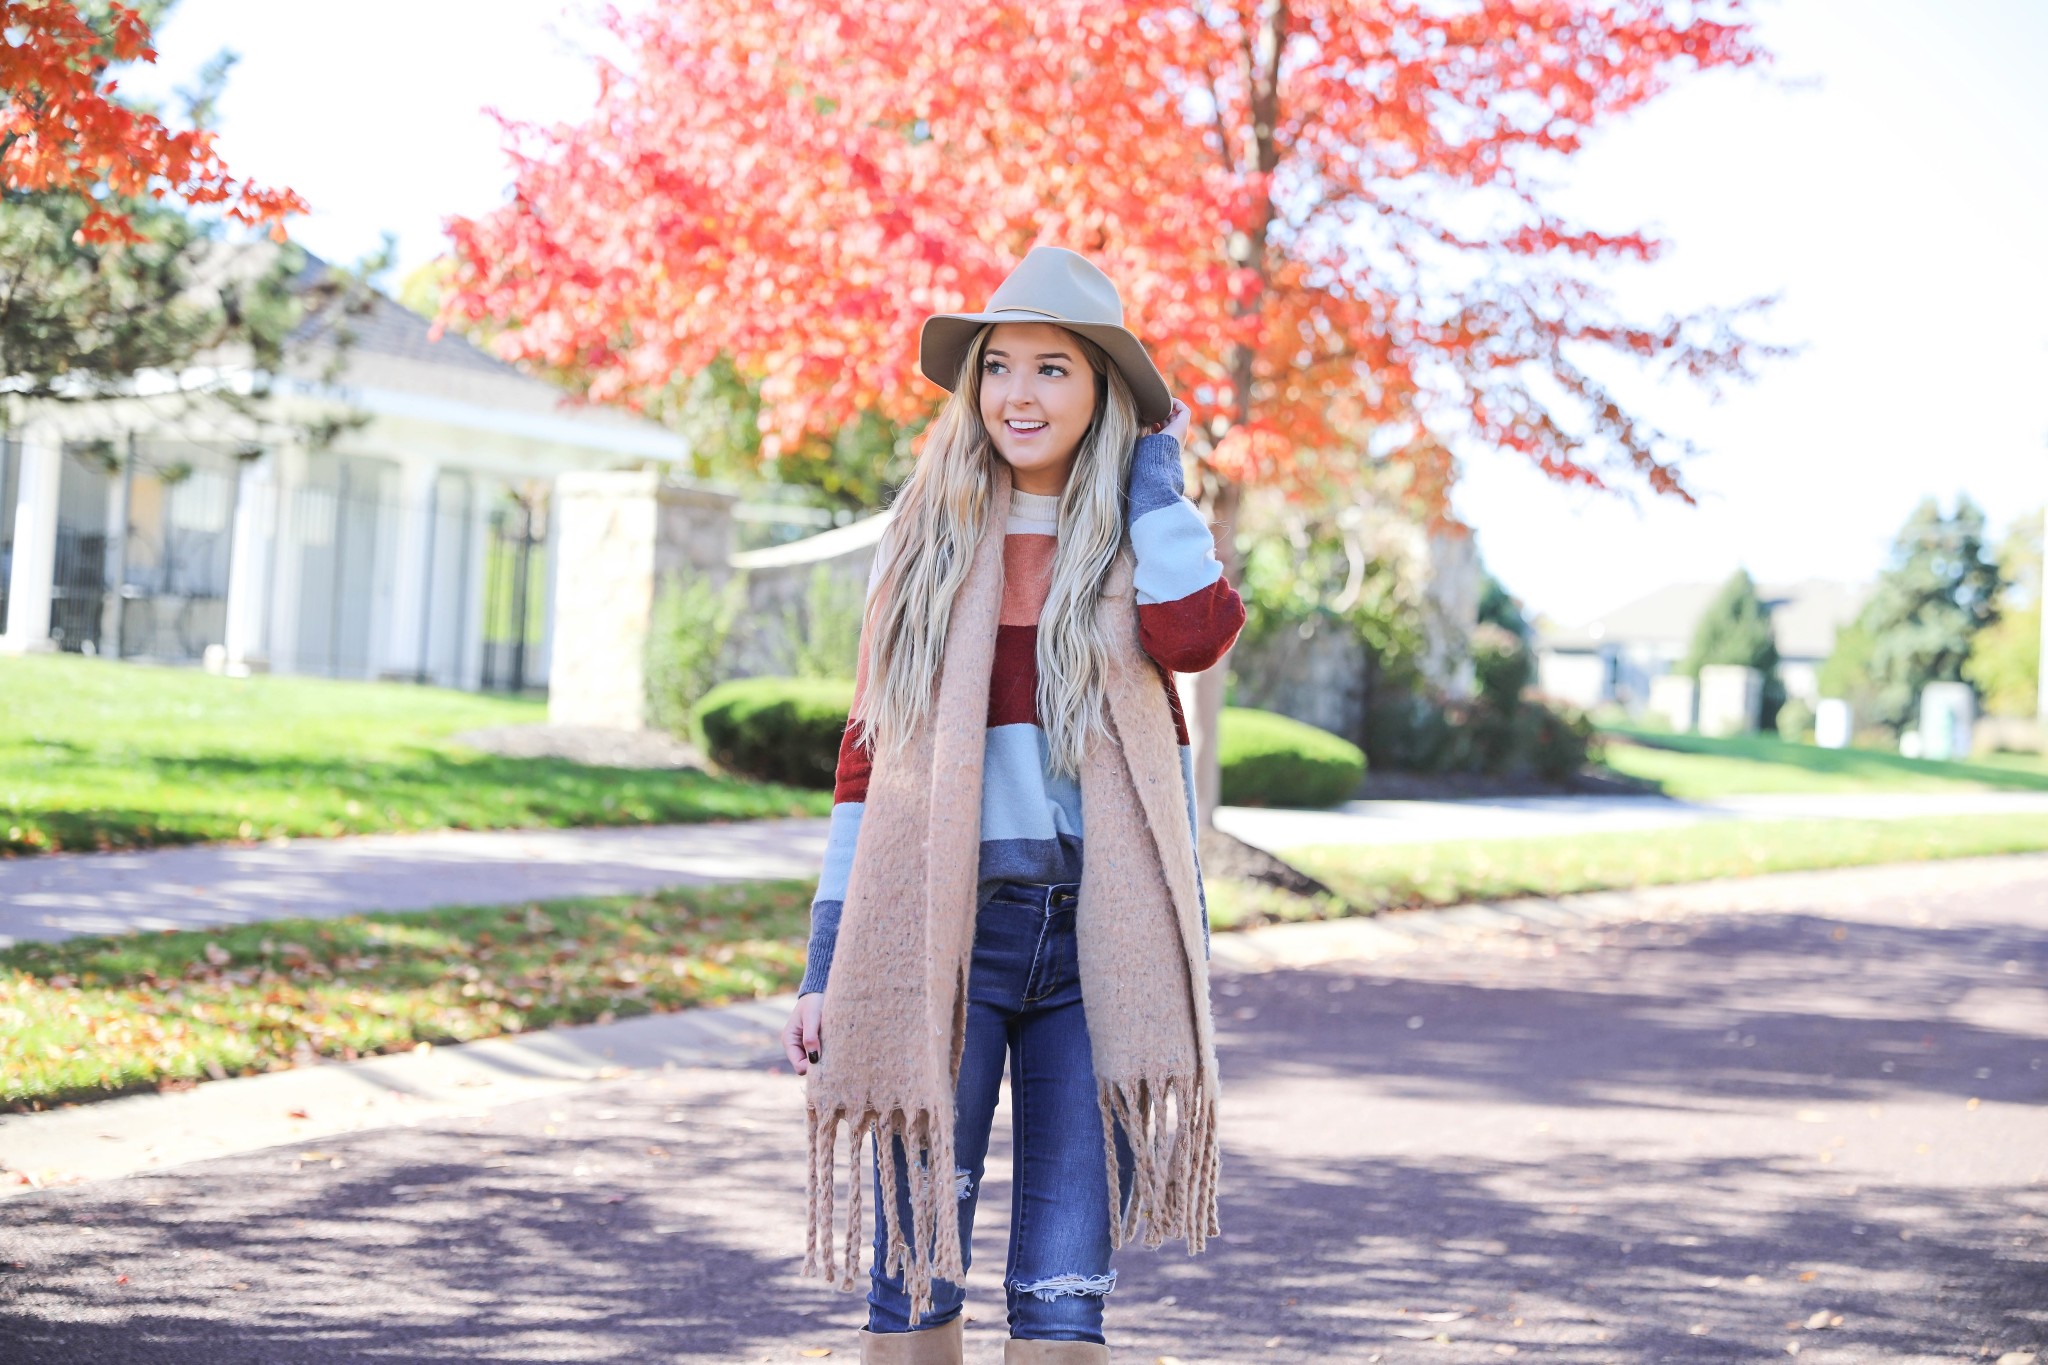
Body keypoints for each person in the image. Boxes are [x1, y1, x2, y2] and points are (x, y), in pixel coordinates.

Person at [781, 246, 1244, 1365]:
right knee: (915, 1279)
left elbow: (1196, 637)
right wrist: (822, 960)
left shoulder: (1139, 546)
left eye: (1052, 370)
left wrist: (1155, 488)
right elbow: (864, 766)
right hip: (939, 937)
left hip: (1098, 944)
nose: (1016, 396)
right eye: (997, 367)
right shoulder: (924, 546)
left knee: (1062, 1297)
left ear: (1103, 396)